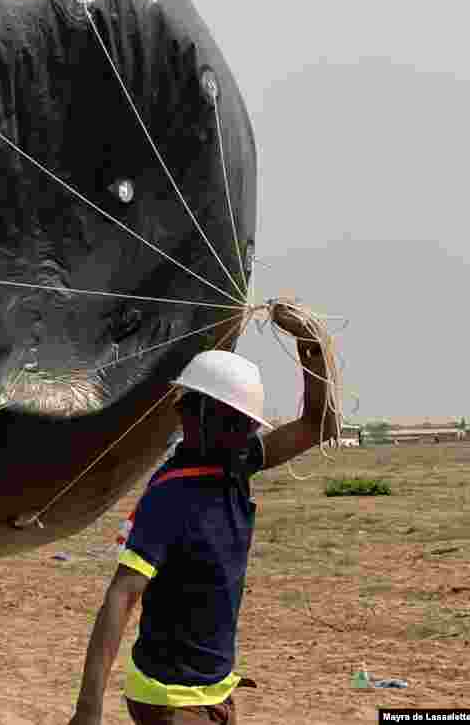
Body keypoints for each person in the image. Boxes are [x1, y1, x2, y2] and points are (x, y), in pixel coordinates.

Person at [68, 305, 334, 724]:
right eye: (233, 421)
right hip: (168, 696)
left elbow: (318, 426)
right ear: (192, 416)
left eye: (245, 423)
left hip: (212, 690)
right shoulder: (170, 495)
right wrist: (88, 710)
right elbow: (122, 594)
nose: (245, 432)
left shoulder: (236, 463)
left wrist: (311, 345)